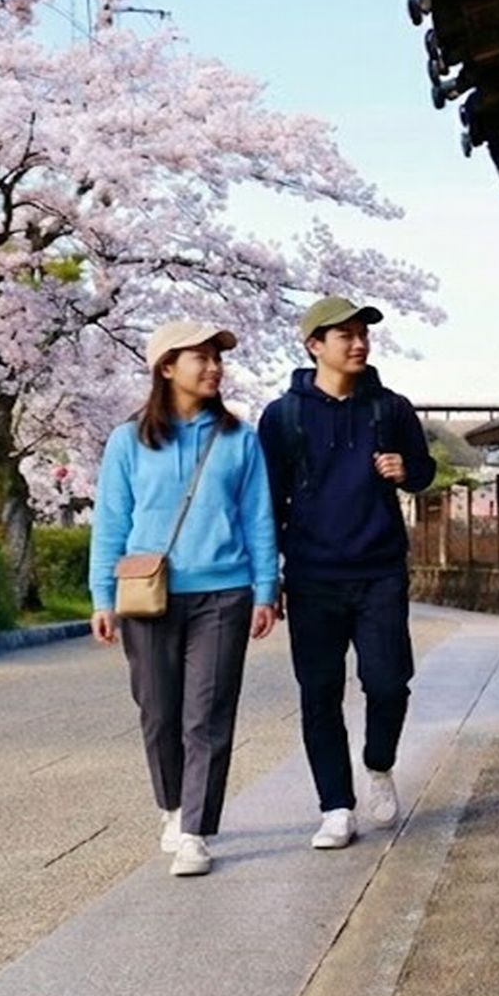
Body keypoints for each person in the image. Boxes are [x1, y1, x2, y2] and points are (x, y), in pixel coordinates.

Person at [89, 320, 280, 877]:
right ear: (166, 367)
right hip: (148, 595)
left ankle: (196, 829)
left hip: (224, 593)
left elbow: (258, 517)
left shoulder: (239, 439)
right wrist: (103, 596)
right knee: (157, 711)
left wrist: (266, 587)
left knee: (208, 714)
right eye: (201, 357)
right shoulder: (127, 441)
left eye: (218, 358)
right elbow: (111, 523)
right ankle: (172, 807)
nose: (214, 367)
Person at [261, 296, 435, 850]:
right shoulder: (283, 417)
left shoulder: (392, 408)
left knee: (388, 683)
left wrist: (407, 469)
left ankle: (378, 764)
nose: (359, 343)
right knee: (319, 692)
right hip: (312, 575)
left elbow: (424, 472)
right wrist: (270, 579)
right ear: (315, 346)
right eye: (346, 336)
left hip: (381, 569)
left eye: (363, 334)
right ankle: (336, 805)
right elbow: (267, 501)